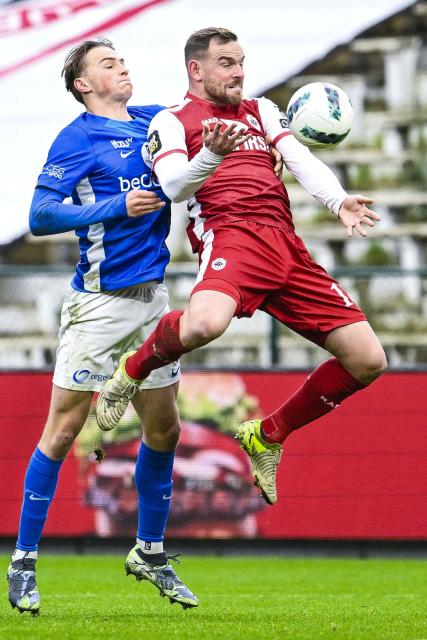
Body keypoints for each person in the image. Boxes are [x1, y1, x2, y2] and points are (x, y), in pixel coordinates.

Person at [96, 27, 387, 508]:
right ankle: (130, 371)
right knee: (206, 323)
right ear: (197, 69)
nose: (238, 72)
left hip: (286, 247)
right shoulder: (173, 121)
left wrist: (338, 201)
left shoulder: (261, 110)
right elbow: (172, 187)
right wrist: (211, 154)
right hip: (231, 235)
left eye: (241, 62)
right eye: (227, 63)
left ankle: (268, 435)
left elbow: (299, 157)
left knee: (368, 359)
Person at [7, 37, 199, 615]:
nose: (122, 67)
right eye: (108, 63)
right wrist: (117, 207)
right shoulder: (77, 138)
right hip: (99, 304)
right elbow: (41, 215)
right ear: (84, 84)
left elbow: (199, 124)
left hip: (152, 300)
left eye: (123, 60)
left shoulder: (152, 120)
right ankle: (23, 563)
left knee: (165, 430)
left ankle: (151, 551)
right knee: (64, 430)